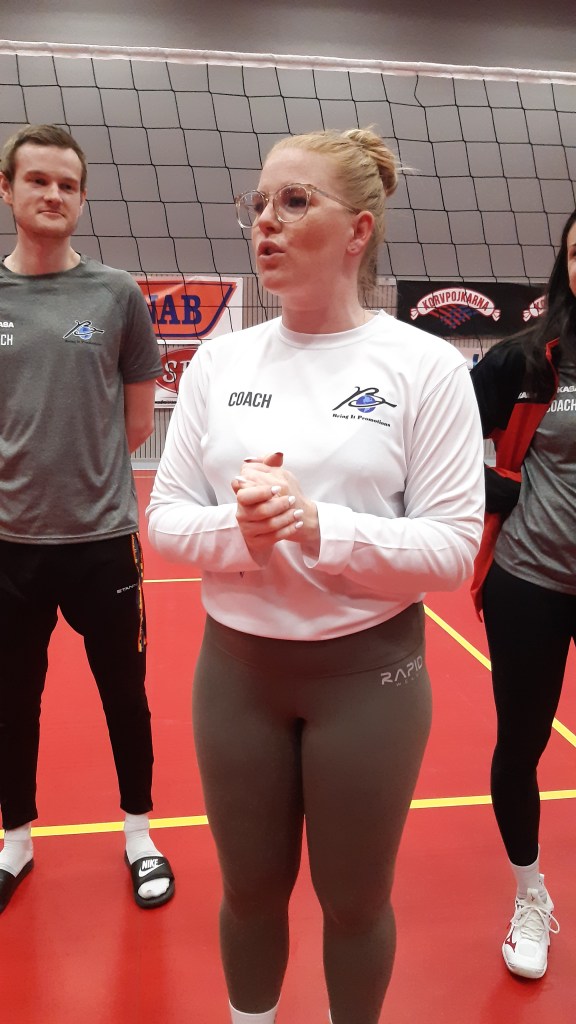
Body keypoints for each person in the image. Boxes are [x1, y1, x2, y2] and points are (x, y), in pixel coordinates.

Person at [147, 127, 485, 1024]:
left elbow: (452, 548)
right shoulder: (221, 362)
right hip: (237, 675)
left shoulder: (423, 366)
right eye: (259, 202)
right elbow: (166, 518)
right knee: (249, 892)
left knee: (355, 904)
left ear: (358, 230)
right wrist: (242, 530)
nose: (266, 220)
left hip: (368, 678)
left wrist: (318, 524)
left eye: (295, 201)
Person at [0, 124, 175, 914]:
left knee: (124, 693)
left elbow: (137, 423)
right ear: (7, 189)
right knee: (11, 699)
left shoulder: (116, 295)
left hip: (103, 542)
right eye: (37, 180)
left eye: (67, 185)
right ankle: (15, 841)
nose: (53, 195)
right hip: (9, 545)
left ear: (81, 197)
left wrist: (80, 479)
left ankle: (139, 834)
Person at [470, 208, 576, 980]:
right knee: (522, 743)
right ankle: (530, 895)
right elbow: (440, 434)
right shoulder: (526, 359)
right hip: (531, 582)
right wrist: (483, 487)